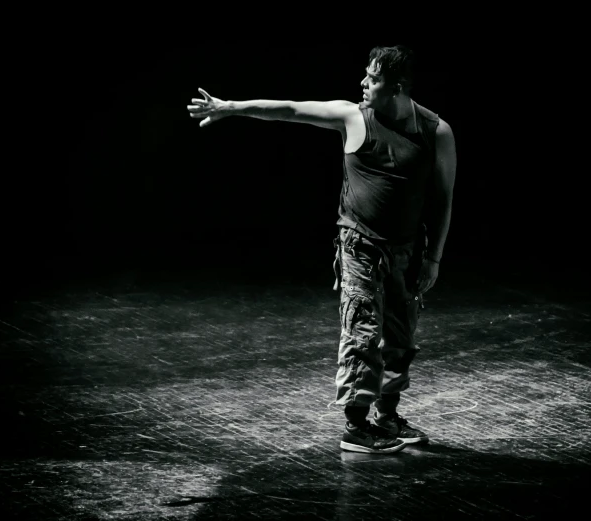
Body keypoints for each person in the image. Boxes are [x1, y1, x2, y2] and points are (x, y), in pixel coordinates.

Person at [187, 45, 456, 454]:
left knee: (400, 339)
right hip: (360, 248)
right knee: (363, 334)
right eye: (365, 75)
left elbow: (443, 199)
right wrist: (231, 107)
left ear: (397, 87)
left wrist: (433, 257)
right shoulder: (353, 117)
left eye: (373, 78)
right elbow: (291, 110)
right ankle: (355, 428)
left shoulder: (436, 131)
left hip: (407, 253)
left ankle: (387, 418)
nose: (363, 83)